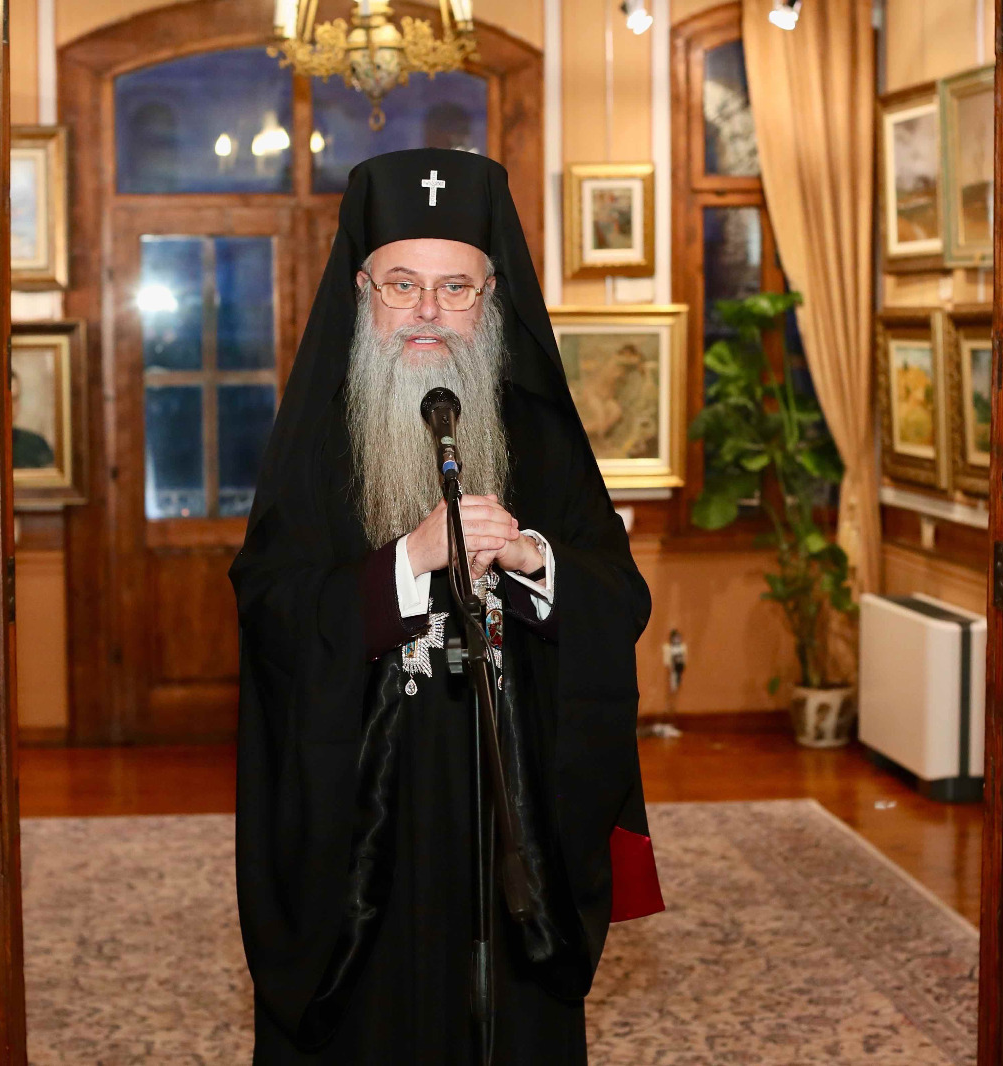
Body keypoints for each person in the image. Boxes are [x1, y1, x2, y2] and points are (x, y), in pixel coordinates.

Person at [230, 148, 664, 1065]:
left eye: (454, 287)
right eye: (403, 284)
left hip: (511, 802)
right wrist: (408, 563)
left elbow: (619, 594)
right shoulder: (316, 437)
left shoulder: (538, 431)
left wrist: (532, 557)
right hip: (363, 814)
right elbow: (271, 608)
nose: (428, 310)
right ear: (363, 292)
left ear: (490, 296)